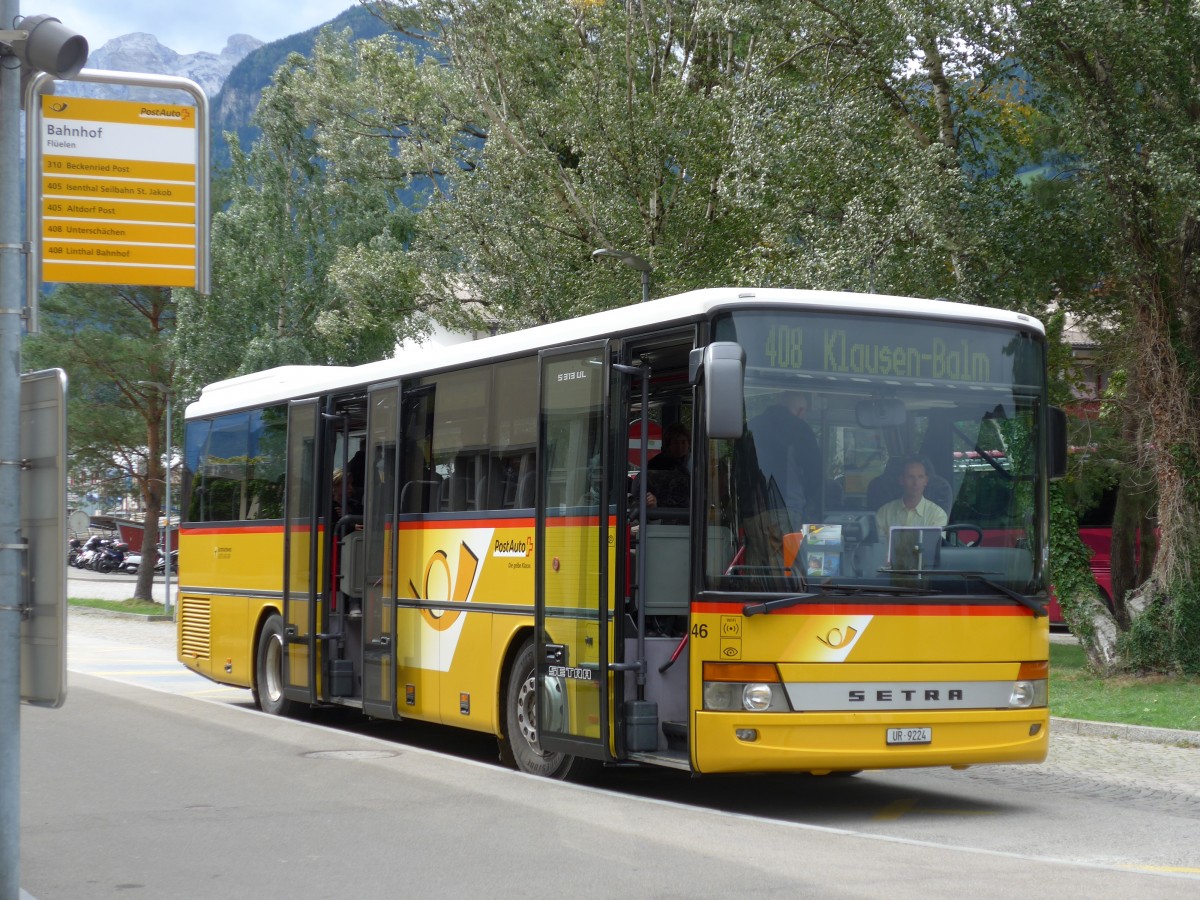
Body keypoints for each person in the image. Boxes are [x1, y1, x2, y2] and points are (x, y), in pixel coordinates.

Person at [744, 391, 822, 524]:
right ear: (800, 411)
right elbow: (814, 474)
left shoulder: (751, 426)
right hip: (788, 509)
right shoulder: (802, 430)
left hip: (751, 510)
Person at [875, 457, 948, 533]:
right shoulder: (884, 513)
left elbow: (935, 544)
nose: (916, 483)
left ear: (926, 480)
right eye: (910, 477)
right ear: (901, 480)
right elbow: (878, 544)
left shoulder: (937, 515)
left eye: (920, 477)